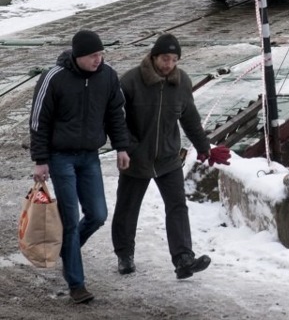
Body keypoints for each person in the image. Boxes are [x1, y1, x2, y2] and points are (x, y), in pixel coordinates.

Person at [112, 34, 230, 280]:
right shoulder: (131, 81)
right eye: (166, 58)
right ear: (154, 56)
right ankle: (124, 255)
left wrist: (204, 146)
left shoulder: (181, 82)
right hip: (137, 158)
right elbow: (116, 121)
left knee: (177, 206)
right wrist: (128, 147)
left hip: (168, 158)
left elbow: (190, 118)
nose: (169, 64)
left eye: (174, 60)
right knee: (127, 207)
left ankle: (183, 259)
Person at [30, 29, 131, 305]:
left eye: (101, 54)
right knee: (71, 220)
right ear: (78, 56)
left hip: (90, 156)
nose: (98, 60)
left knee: (98, 214)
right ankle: (77, 283)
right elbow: (39, 120)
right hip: (60, 157)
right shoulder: (54, 77)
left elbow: (115, 114)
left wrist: (122, 147)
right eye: (92, 56)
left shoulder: (107, 75)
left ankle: (66, 251)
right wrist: (41, 160)